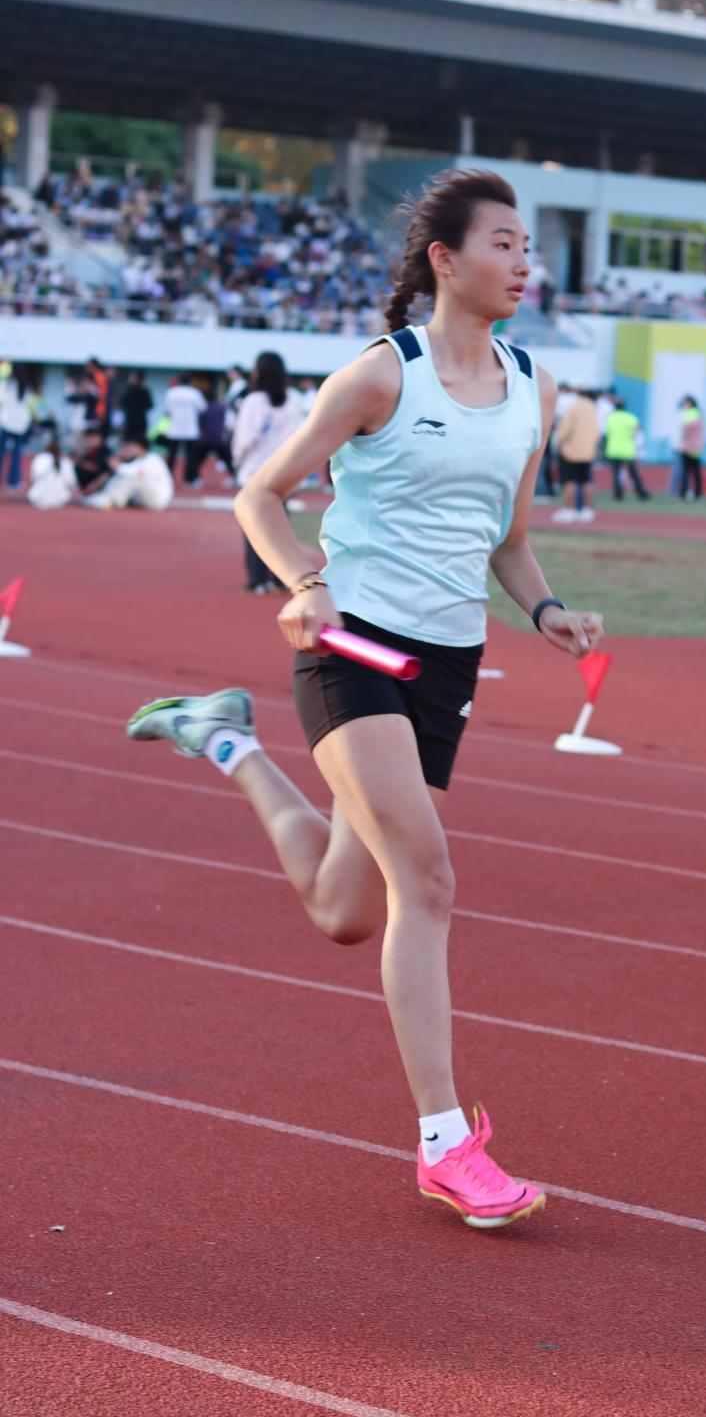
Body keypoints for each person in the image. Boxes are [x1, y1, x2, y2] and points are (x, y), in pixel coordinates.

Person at [126, 167, 602, 1229]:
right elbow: (259, 495)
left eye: (528, 247)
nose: (524, 263)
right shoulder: (383, 375)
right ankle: (444, 1143)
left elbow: (510, 541)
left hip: (447, 666)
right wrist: (306, 582)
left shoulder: (533, 387)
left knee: (347, 911)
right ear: (445, 259)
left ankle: (224, 743)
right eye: (504, 244)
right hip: (352, 646)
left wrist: (548, 608)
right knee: (427, 881)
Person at [231, 352, 305, 593]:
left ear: (258, 373)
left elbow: (245, 439)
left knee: (254, 525)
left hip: (256, 471)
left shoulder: (254, 401)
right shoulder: (294, 400)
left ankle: (258, 579)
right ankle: (284, 577)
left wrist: (237, 462)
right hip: (284, 471)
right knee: (282, 527)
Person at [82, 437, 174, 511]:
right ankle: (107, 498)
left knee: (132, 478)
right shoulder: (139, 461)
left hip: (159, 501)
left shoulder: (153, 459)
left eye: (130, 447)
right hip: (146, 499)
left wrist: (117, 465)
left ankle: (110, 500)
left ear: (140, 447)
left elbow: (131, 472)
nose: (127, 450)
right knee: (128, 476)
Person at [553, 387, 600, 522]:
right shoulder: (592, 407)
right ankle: (587, 510)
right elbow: (597, 429)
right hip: (588, 450)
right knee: (586, 480)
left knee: (570, 480)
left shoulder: (573, 407)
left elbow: (566, 429)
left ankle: (568, 509)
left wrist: (559, 441)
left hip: (571, 450)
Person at [162, 373, 207, 485]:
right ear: (190, 382)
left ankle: (167, 478)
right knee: (191, 457)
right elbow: (203, 408)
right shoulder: (195, 393)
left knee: (171, 456)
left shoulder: (171, 392)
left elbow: (166, 410)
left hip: (174, 429)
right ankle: (190, 479)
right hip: (190, 429)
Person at [603, 396, 649, 501]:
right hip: (628, 449)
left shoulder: (610, 419)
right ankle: (641, 493)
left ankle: (618, 494)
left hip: (613, 449)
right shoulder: (631, 418)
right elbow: (637, 434)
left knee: (616, 474)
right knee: (633, 473)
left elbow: (606, 434)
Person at [0, 364, 33, 490]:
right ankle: (13, 482)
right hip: (20, 425)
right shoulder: (26, 387)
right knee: (16, 455)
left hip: (6, 423)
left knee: (1, 452)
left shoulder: (7, 385)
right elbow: (29, 406)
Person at [27, 437, 78, 509]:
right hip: (61, 499)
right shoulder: (65, 461)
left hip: (38, 497)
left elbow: (33, 478)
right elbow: (71, 482)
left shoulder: (40, 458)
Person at [675, 395, 704, 499]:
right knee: (695, 471)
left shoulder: (690, 414)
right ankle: (697, 492)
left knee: (687, 471)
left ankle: (684, 492)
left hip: (688, 446)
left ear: (690, 403)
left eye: (686, 403)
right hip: (695, 447)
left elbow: (685, 429)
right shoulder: (698, 414)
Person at [73, 427, 113, 496]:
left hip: (98, 489)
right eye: (88, 438)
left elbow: (102, 472)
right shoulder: (84, 452)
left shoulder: (105, 453)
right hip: (80, 487)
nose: (90, 441)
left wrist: (91, 487)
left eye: (93, 438)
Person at [119, 370, 153, 446]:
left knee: (128, 443)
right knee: (139, 444)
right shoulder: (145, 391)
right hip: (141, 421)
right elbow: (150, 405)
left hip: (130, 421)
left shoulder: (128, 390)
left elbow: (122, 403)